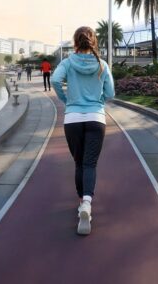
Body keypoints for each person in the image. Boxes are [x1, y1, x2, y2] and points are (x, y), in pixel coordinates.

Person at [51, 26, 115, 235]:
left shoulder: (68, 63)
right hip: (96, 118)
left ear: (75, 42)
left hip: (73, 119)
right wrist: (98, 101)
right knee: (90, 163)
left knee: (79, 162)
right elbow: (111, 93)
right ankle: (86, 202)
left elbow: (54, 80)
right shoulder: (102, 64)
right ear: (94, 42)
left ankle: (82, 203)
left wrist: (66, 99)